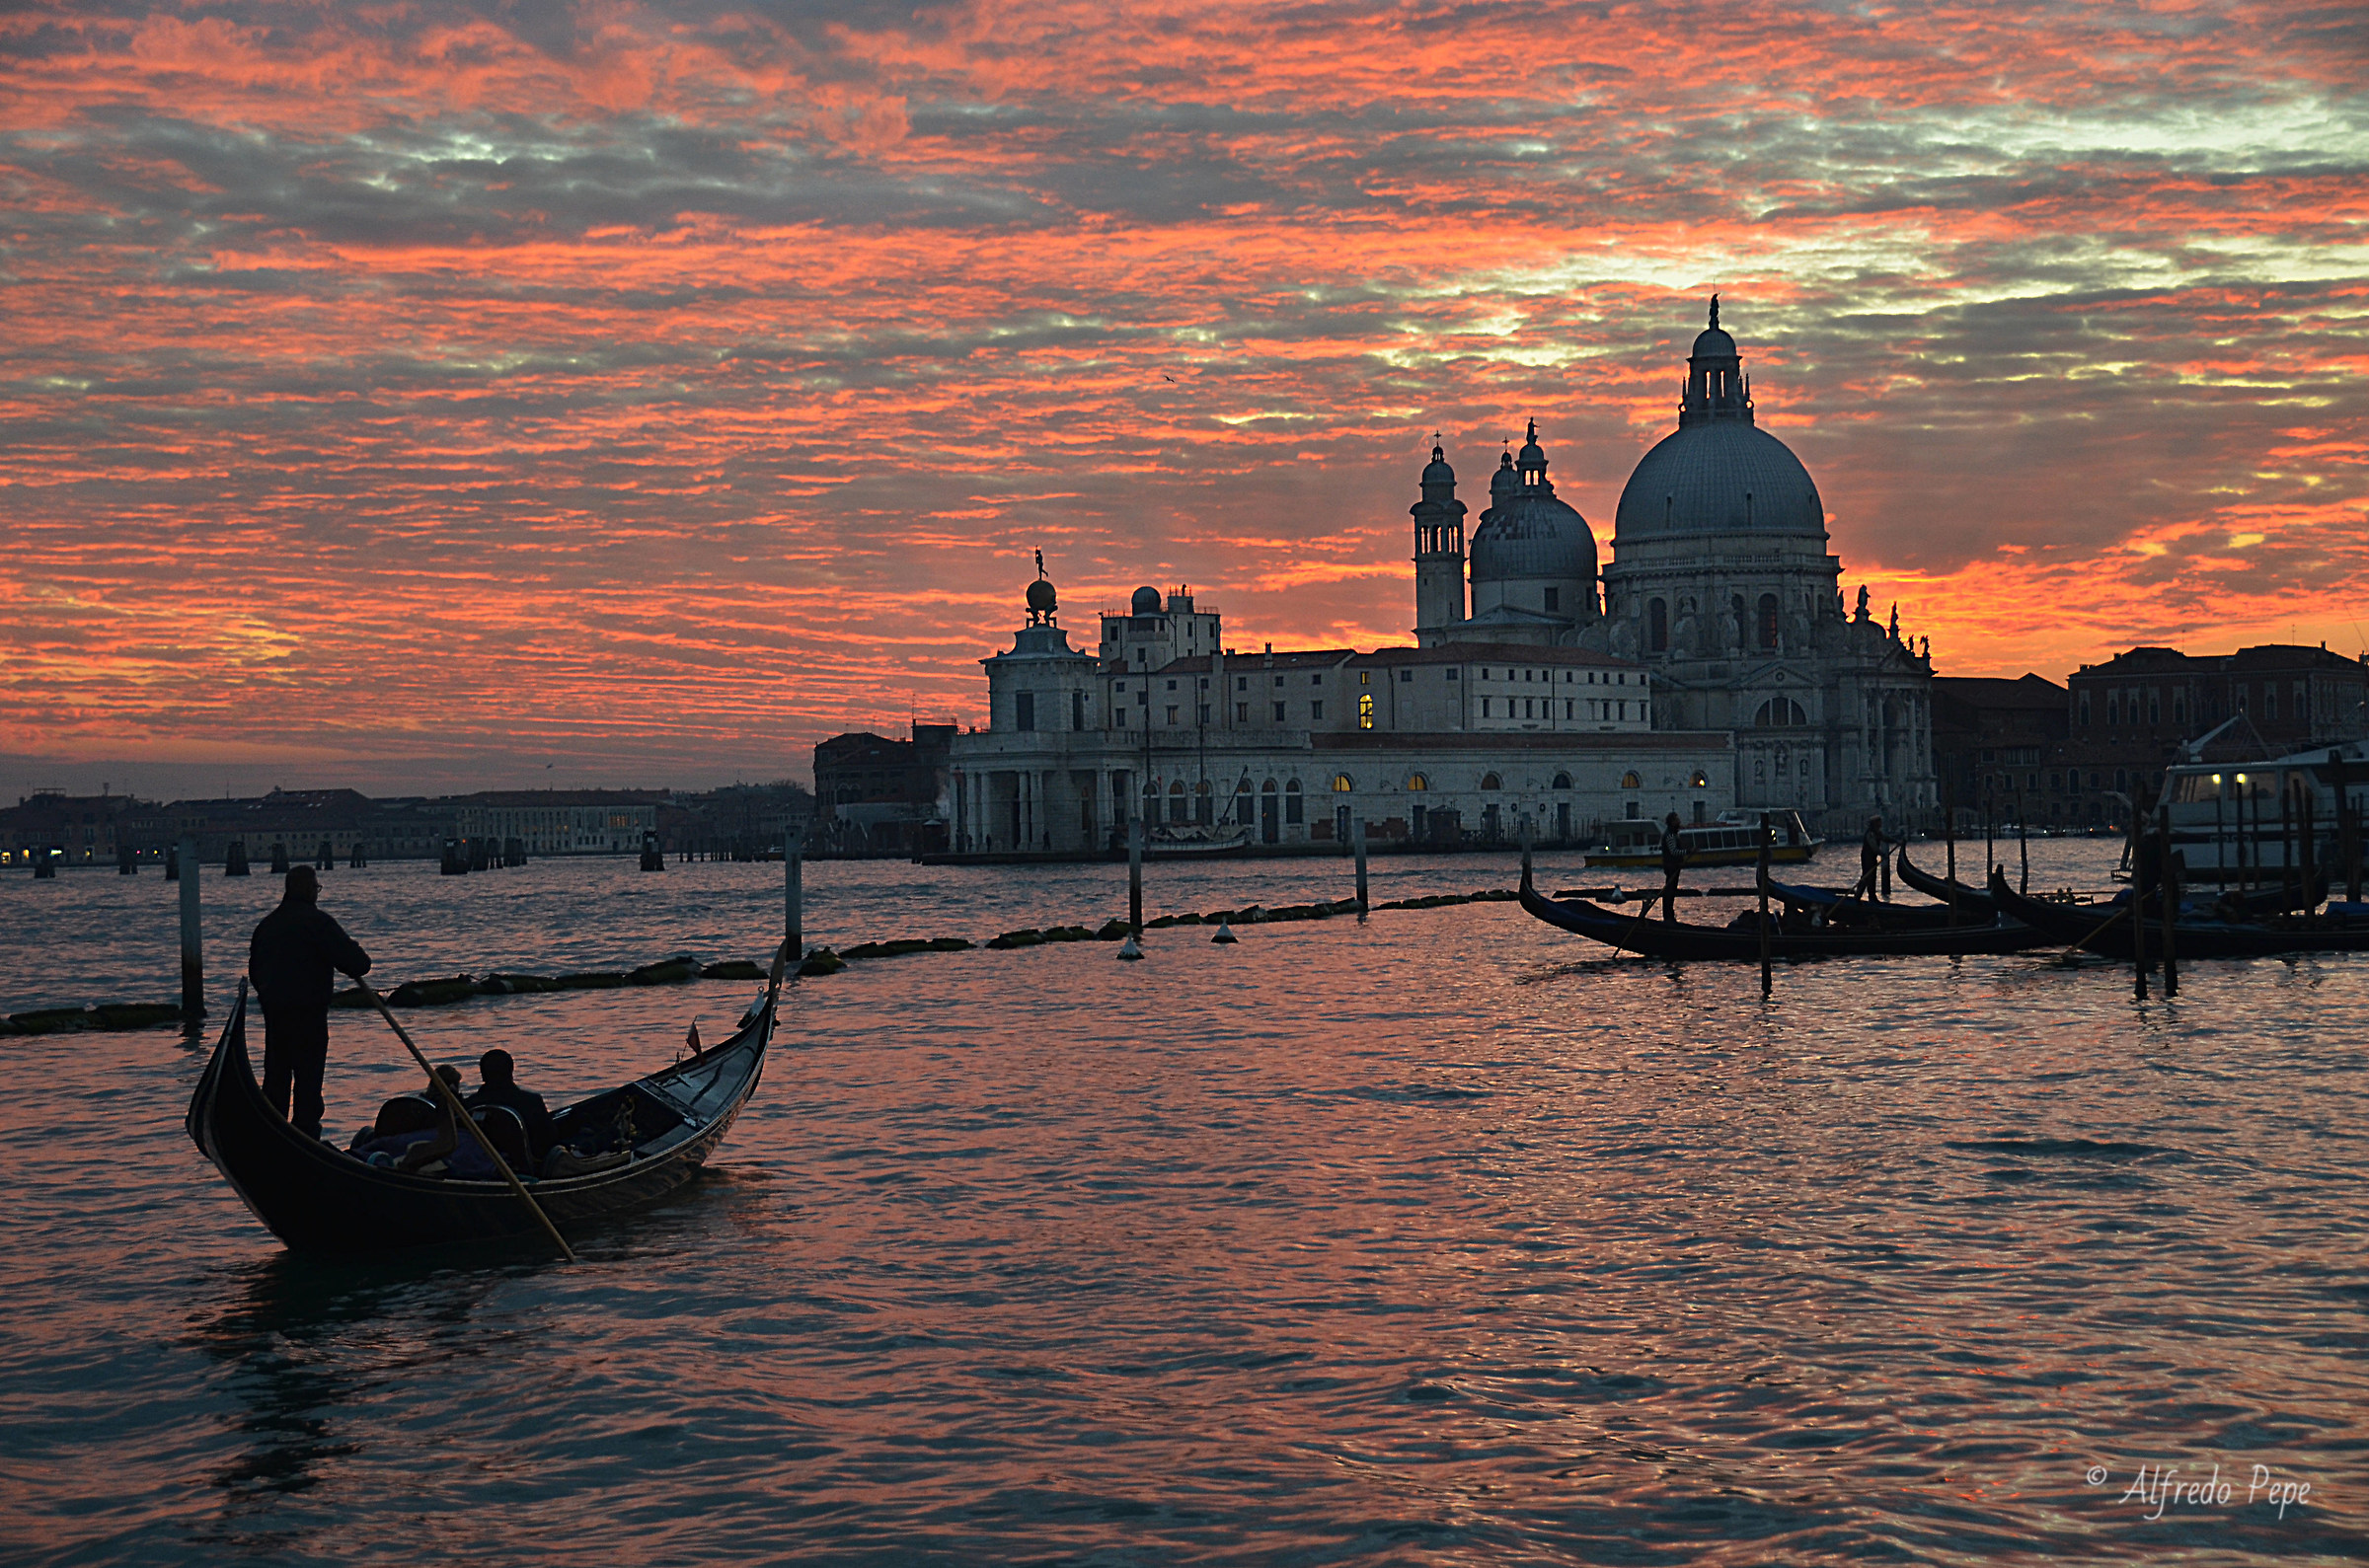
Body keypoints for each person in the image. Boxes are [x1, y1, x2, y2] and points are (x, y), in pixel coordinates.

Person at [249, 864, 372, 1139]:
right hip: (309, 1015)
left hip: (275, 1014)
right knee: (308, 1080)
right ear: (306, 889)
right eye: (316, 888)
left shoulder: (267, 926)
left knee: (276, 1078)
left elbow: (254, 972)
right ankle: (305, 1135)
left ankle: (273, 1133)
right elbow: (359, 964)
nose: (317, 893)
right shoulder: (318, 923)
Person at [467, 1049, 558, 1161]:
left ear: (483, 1075)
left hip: (479, 1164)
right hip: (524, 1166)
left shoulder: (469, 1105)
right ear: (511, 1071)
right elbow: (550, 1140)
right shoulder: (531, 1102)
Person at [1658, 811, 1685, 923]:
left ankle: (1669, 915)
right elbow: (1673, 852)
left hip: (1674, 866)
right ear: (1672, 822)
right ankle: (1668, 916)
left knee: (1671, 891)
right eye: (1677, 819)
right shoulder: (1669, 835)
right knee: (1669, 891)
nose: (1679, 821)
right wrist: (1688, 851)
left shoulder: (1673, 834)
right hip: (1671, 866)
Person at [1854, 815, 1887, 902]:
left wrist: (1896, 841)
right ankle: (1858, 896)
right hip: (1866, 857)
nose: (1880, 824)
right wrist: (1882, 853)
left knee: (1872, 877)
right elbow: (1874, 847)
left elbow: (1885, 838)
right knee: (1867, 876)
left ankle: (1872, 897)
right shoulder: (1870, 833)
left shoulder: (1877, 833)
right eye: (1879, 822)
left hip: (1872, 858)